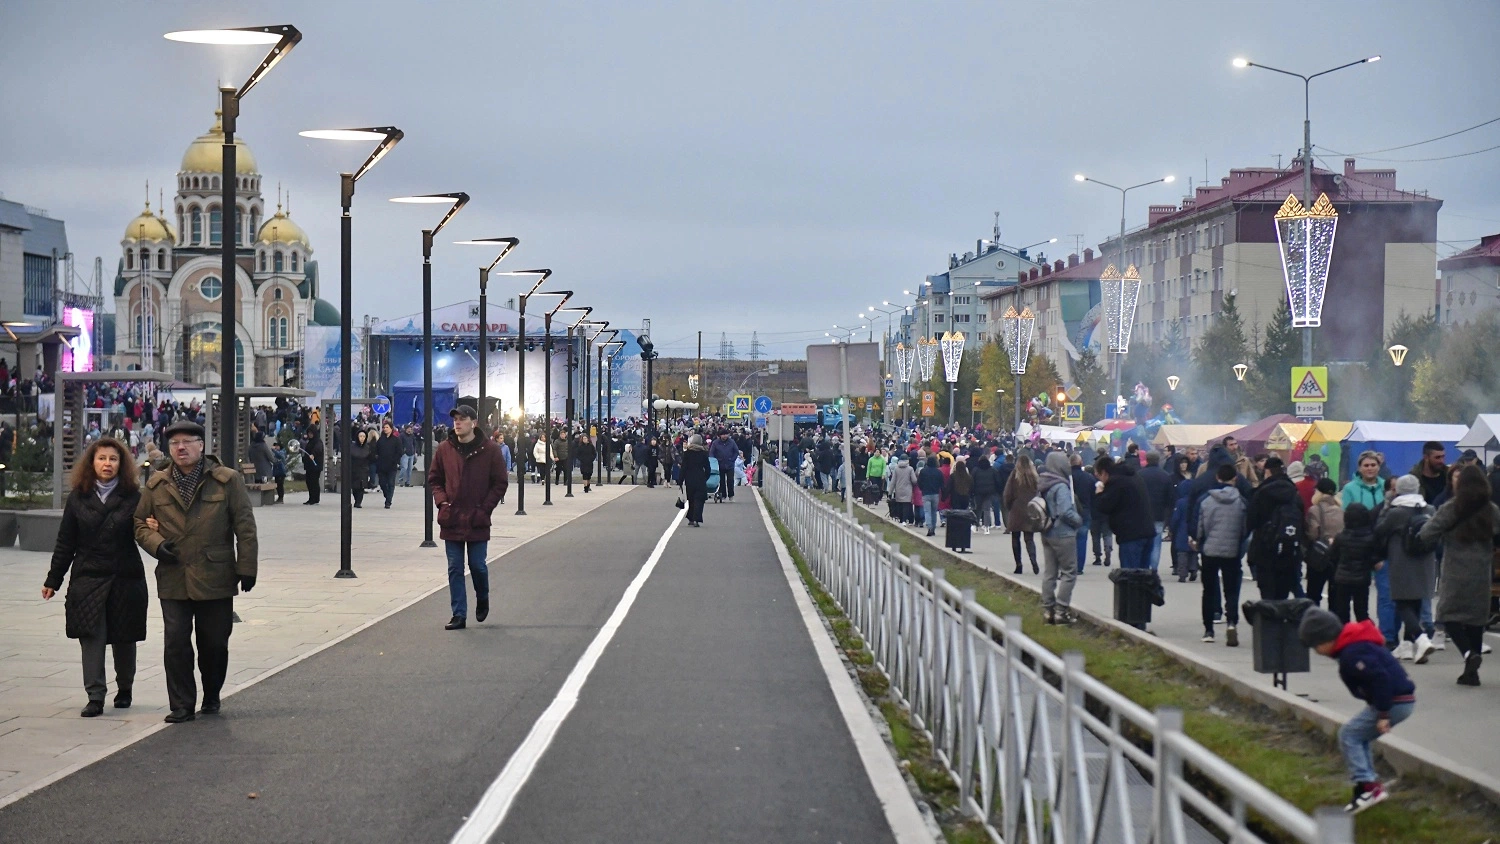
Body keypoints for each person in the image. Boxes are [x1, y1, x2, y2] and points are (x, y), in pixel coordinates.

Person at [135, 419, 259, 723]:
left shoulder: (227, 481)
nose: (181, 448)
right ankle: (181, 704)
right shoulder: (156, 484)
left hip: (215, 573)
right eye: (175, 443)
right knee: (175, 641)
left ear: (201, 446)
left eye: (188, 441)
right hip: (174, 573)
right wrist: (157, 544)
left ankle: (212, 693)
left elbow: (245, 526)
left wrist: (247, 567)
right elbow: (139, 523)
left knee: (214, 642)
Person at [43, 437, 148, 717]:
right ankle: (95, 695)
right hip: (88, 577)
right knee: (92, 637)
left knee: (125, 637)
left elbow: (146, 531)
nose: (107, 464)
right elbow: (66, 541)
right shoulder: (78, 497)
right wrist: (54, 579)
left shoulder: (134, 497)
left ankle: (124, 688)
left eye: (113, 459)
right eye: (101, 458)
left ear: (121, 464)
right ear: (92, 462)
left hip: (125, 575)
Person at [1297, 607, 1416, 814]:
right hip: (1398, 700)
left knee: (1349, 735)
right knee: (1359, 737)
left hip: (1394, 702)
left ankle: (1368, 787)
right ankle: (1370, 784)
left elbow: (1380, 678)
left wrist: (1383, 713)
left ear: (1325, 640)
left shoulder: (1353, 654)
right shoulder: (1354, 647)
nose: (1316, 652)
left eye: (1315, 646)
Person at [1417, 463, 1500, 686]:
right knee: (1475, 620)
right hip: (1482, 570)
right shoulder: (1492, 510)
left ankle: (1468, 655)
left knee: (1448, 616)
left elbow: (1427, 533)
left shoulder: (1452, 507)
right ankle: (1471, 673)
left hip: (1455, 570)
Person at [428, 405, 508, 631]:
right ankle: (458, 614)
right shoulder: (445, 449)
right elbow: (435, 479)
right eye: (455, 419)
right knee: (455, 567)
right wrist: (442, 502)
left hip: (477, 517)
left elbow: (500, 482)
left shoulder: (489, 450)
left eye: (462, 419)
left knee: (477, 565)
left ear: (473, 423)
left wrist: (485, 509)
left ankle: (482, 597)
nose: (457, 423)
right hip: (452, 516)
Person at [1374, 475, 1437, 663]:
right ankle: (1408, 646)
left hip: (1401, 560)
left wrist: (1386, 506)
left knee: (1401, 602)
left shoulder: (1396, 512)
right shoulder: (1430, 509)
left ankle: (1421, 638)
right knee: (1416, 602)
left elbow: (1380, 531)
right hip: (1425, 561)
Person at [1195, 463, 1246, 646]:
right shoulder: (1241, 502)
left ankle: (1208, 630)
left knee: (1209, 590)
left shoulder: (1206, 500)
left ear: (1218, 478)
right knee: (1231, 589)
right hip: (1232, 551)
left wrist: (1199, 540)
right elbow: (1244, 528)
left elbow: (1201, 527)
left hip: (1210, 550)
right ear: (1235, 479)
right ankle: (1231, 622)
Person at [1245, 456, 1305, 600]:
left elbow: (1251, 520)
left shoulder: (1262, 492)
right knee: (1283, 588)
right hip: (1289, 547)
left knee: (1267, 589)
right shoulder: (1293, 492)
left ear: (1268, 472)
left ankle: (1269, 618)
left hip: (1266, 547)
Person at [1038, 452, 1082, 624]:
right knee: (1069, 572)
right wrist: (1078, 521)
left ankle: (1047, 610)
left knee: (1050, 572)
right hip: (1063, 533)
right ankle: (1061, 611)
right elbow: (1065, 511)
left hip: (1046, 531)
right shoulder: (1061, 486)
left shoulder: (1043, 483)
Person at [1094, 455, 1156, 570]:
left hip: (1131, 535)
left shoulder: (1116, 482)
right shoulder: (1133, 476)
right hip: (1147, 531)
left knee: (1129, 576)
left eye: (1098, 476)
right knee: (1144, 577)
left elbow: (1104, 506)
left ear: (1103, 472)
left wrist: (1099, 493)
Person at [1327, 503, 1380, 624]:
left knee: (1342, 611)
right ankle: (1365, 635)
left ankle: (1344, 635)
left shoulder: (1341, 537)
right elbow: (1373, 558)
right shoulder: (1370, 538)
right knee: (1362, 612)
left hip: (1343, 578)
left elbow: (1332, 556)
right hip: (1362, 578)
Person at [1304, 477, 1345, 608]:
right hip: (1337, 555)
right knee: (1335, 595)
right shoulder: (1341, 510)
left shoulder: (1314, 510)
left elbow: (1313, 533)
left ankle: (1315, 623)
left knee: (1314, 594)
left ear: (1318, 492)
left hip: (1319, 555)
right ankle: (1334, 623)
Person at [1002, 454, 1040, 573]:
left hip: (1017, 508)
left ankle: (1018, 565)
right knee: (1029, 538)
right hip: (1030, 509)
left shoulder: (1015, 475)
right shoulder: (1034, 476)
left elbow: (1008, 493)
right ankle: (1033, 560)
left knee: (1015, 537)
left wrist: (1009, 506)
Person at [1138, 451, 1175, 572]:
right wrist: (1168, 516)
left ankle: (1143, 565)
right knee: (1156, 543)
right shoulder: (1165, 476)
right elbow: (1170, 498)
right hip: (1159, 514)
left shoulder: (1139, 475)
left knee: (1142, 542)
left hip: (1142, 514)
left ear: (1147, 460)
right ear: (1158, 460)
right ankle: (1153, 568)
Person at [679, 434, 711, 527]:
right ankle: (697, 518)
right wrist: (705, 477)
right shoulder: (703, 453)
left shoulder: (687, 453)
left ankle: (691, 518)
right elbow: (708, 468)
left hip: (689, 479)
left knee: (691, 499)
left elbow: (683, 468)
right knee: (699, 499)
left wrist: (681, 480)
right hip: (700, 478)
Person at [943, 458, 973, 552]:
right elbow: (972, 489)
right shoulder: (968, 477)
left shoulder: (953, 476)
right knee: (964, 522)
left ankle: (954, 545)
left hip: (955, 500)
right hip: (965, 501)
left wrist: (944, 497)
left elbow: (948, 488)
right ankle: (963, 545)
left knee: (954, 523)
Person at [374, 420, 403, 509]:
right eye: (384, 427)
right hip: (381, 465)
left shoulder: (396, 440)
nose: (385, 429)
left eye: (387, 427)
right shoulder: (380, 440)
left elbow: (399, 452)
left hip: (392, 466)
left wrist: (395, 461)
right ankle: (387, 495)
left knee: (390, 483)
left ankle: (388, 501)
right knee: (382, 483)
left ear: (391, 429)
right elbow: (376, 451)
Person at [917, 456, 945, 538]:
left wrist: (922, 488)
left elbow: (919, 482)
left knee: (927, 511)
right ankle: (933, 528)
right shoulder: (938, 472)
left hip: (926, 493)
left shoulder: (923, 471)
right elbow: (942, 484)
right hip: (935, 493)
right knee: (934, 512)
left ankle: (929, 527)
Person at [887, 455, 917, 525]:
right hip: (908, 490)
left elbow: (893, 482)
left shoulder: (896, 469)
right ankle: (904, 520)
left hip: (898, 489)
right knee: (906, 505)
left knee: (900, 505)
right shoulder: (910, 469)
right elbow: (914, 480)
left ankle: (901, 520)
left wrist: (890, 493)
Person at [711, 430, 740, 502]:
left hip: (730, 464)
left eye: (726, 434)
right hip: (719, 464)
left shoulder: (732, 442)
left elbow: (736, 451)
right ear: (720, 435)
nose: (725, 436)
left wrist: (732, 459)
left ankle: (731, 495)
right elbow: (711, 453)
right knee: (721, 481)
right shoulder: (715, 443)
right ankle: (723, 495)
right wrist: (714, 461)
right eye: (723, 434)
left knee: (730, 480)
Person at [347, 428, 372, 509]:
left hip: (363, 470)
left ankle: (358, 502)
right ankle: (356, 499)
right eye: (360, 436)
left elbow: (370, 459)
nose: (362, 438)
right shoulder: (352, 447)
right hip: (354, 469)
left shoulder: (367, 447)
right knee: (355, 487)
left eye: (364, 436)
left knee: (361, 487)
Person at [302, 425, 323, 505]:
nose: (310, 435)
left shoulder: (318, 441)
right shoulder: (310, 442)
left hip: (315, 465)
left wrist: (313, 454)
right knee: (309, 481)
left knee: (314, 482)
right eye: (308, 433)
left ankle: (315, 498)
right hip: (309, 466)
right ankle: (311, 498)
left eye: (311, 433)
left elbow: (318, 449)